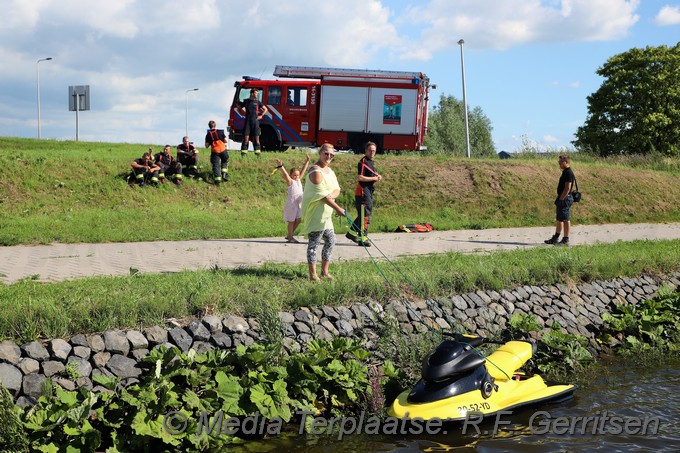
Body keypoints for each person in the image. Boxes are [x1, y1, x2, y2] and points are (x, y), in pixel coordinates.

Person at [301, 143, 346, 281]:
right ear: (320, 153)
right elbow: (322, 195)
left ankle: (324, 272)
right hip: (316, 214)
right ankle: (312, 274)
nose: (329, 156)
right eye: (326, 153)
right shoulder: (315, 171)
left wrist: (331, 196)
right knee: (314, 244)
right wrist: (338, 208)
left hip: (327, 215)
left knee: (331, 240)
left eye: (332, 154)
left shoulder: (330, 171)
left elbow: (337, 189)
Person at [346, 141, 382, 247]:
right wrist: (374, 178)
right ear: (366, 151)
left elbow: (370, 174)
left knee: (363, 215)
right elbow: (360, 177)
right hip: (362, 192)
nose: (372, 152)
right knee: (365, 215)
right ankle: (363, 238)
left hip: (369, 191)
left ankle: (351, 233)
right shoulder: (363, 162)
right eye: (370, 150)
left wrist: (376, 176)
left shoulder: (371, 162)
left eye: (374, 151)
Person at [275, 155, 310, 243]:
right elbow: (285, 174)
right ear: (291, 175)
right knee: (291, 221)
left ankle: (290, 235)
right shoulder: (291, 182)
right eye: (294, 175)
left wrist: (307, 162)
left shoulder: (298, 180)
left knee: (298, 220)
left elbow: (303, 172)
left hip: (299, 203)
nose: (297, 176)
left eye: (297, 175)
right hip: (292, 203)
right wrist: (280, 166)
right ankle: (290, 237)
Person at [545, 155, 575, 246]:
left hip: (565, 198)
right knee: (560, 219)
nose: (559, 164)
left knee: (565, 219)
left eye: (560, 162)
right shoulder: (565, 172)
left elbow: (567, 187)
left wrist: (561, 199)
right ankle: (556, 238)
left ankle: (566, 239)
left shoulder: (568, 173)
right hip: (563, 197)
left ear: (566, 162)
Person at [238, 88, 268, 157]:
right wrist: (242, 115)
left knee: (256, 140)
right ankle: (244, 155)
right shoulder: (246, 101)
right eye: (256, 93)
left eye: (257, 93)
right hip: (247, 123)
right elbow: (239, 108)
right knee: (246, 140)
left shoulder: (258, 102)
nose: (257, 95)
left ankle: (258, 155)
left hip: (255, 123)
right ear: (252, 94)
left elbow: (266, 109)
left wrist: (261, 115)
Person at [204, 120, 229, 185]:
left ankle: (217, 181)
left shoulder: (208, 135)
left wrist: (210, 142)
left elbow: (206, 146)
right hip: (223, 150)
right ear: (215, 125)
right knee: (224, 161)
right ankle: (224, 174)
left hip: (215, 151)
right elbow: (226, 141)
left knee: (216, 165)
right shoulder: (220, 132)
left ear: (209, 126)